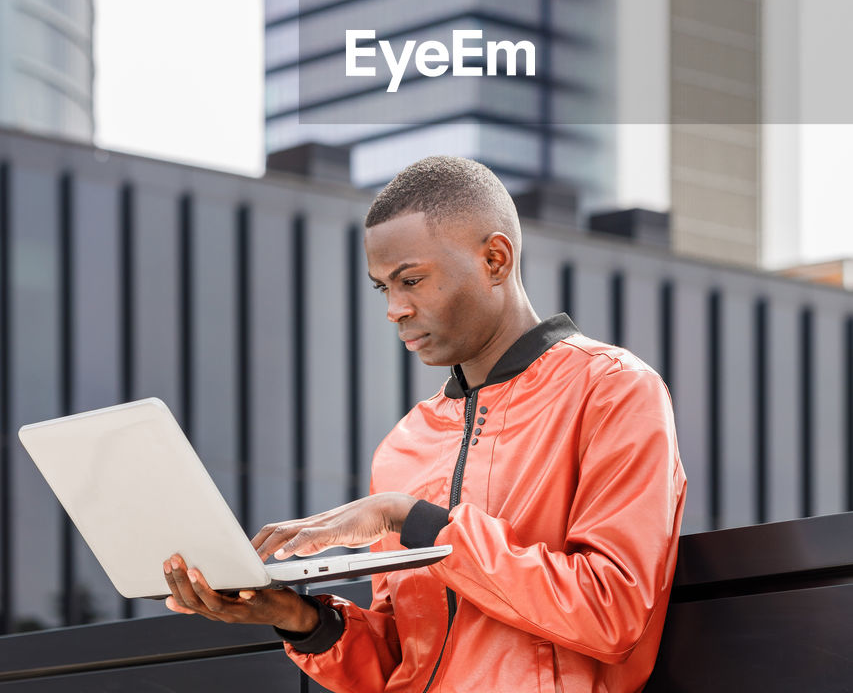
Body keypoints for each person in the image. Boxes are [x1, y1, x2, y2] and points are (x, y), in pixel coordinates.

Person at [164, 155, 686, 693]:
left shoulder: (613, 389)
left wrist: (413, 518)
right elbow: (401, 660)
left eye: (410, 280)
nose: (394, 308)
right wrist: (302, 620)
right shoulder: (404, 444)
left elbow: (613, 614)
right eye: (382, 287)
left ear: (495, 259)